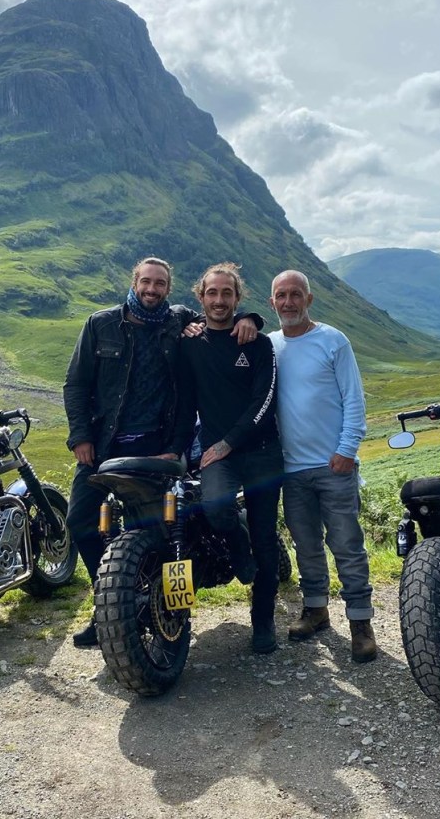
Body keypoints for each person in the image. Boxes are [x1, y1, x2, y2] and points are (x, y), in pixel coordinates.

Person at [63, 257, 259, 647]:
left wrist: (250, 318)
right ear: (134, 283)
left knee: (160, 531)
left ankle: (167, 609)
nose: (152, 290)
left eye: (160, 284)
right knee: (80, 520)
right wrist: (80, 437)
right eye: (146, 282)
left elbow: (219, 310)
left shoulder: (178, 320)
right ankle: (111, 602)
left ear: (169, 290)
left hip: (159, 445)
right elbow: (76, 383)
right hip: (102, 446)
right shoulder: (100, 323)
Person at [169, 262, 283, 655]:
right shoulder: (189, 343)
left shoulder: (258, 343)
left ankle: (263, 620)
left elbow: (264, 402)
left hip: (262, 454)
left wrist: (228, 443)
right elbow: (184, 403)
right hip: (220, 454)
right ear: (200, 297)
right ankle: (238, 539)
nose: (219, 301)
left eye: (227, 294)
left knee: (267, 542)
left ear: (238, 298)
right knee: (216, 510)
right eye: (212, 293)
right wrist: (177, 448)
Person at [268, 269, 377, 663]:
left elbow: (354, 399)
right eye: (281, 295)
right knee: (306, 545)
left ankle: (360, 623)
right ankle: (315, 609)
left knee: (347, 545)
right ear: (272, 302)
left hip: (335, 466)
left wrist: (347, 450)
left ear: (309, 300)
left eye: (296, 294)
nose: (289, 302)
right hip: (292, 469)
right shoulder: (269, 346)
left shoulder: (333, 341)